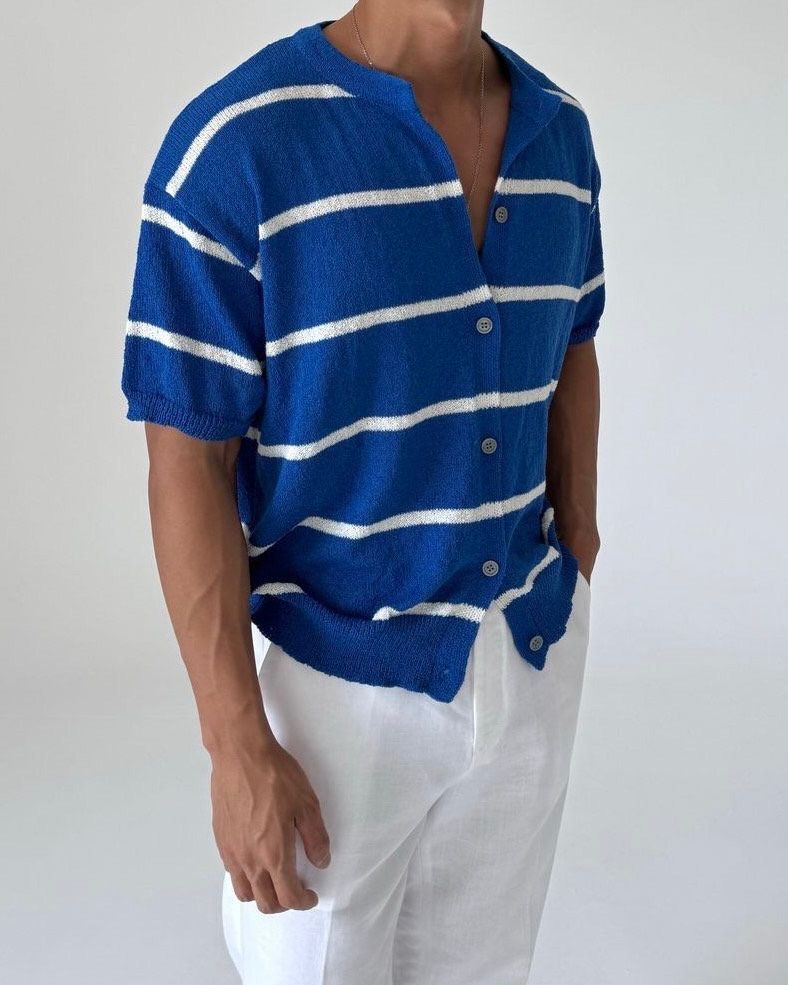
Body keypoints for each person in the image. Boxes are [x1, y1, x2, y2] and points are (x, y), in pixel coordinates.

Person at [121, 1, 605, 981]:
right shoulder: (235, 145)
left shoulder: (558, 132)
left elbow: (574, 339)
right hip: (334, 693)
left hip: (526, 651)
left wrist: (578, 541)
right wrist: (235, 744)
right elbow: (187, 458)